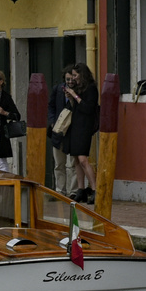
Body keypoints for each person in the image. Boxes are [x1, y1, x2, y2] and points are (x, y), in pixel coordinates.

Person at [60, 62, 100, 203]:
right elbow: (75, 107)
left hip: (85, 127)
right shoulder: (79, 88)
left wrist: (74, 96)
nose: (74, 79)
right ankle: (81, 189)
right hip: (75, 126)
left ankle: (95, 189)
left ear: (83, 75)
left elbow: (88, 108)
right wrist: (71, 98)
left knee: (83, 159)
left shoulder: (91, 89)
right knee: (76, 159)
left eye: (76, 76)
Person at [0, 69, 21, 173]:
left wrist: (4, 112)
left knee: (2, 160)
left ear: (1, 81)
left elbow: (17, 116)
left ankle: (4, 181)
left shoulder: (6, 97)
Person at [49, 69, 76, 196]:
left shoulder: (79, 91)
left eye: (72, 79)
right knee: (59, 163)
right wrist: (52, 121)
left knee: (74, 163)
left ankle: (74, 190)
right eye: (67, 79)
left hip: (73, 131)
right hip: (58, 131)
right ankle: (60, 190)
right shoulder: (58, 89)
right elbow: (51, 106)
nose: (70, 82)